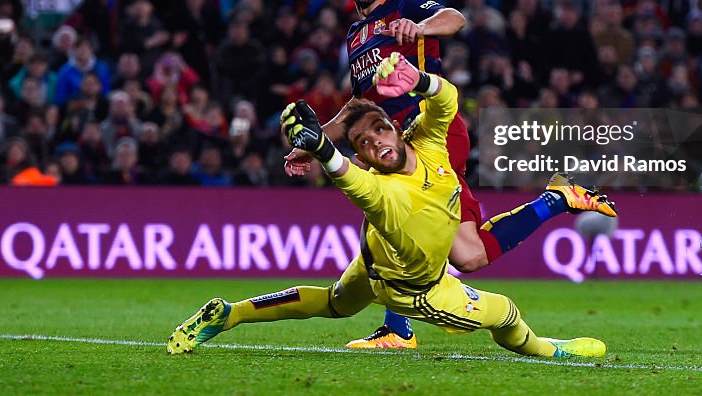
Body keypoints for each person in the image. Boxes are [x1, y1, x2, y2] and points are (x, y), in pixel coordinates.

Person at [167, 53, 613, 358]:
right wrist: (322, 147)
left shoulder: (431, 146)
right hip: (415, 290)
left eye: (379, 130)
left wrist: (417, 80)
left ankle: (231, 314)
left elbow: (447, 101)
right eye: (363, 142)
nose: (376, 141)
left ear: (395, 129)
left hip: (372, 266)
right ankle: (551, 350)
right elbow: (346, 176)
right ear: (359, 153)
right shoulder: (379, 190)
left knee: (335, 303)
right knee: (506, 313)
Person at [290, 0, 609, 350]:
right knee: (469, 256)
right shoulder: (355, 37)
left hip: (431, 131)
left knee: (393, 219)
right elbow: (359, 104)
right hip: (395, 144)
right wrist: (313, 144)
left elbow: (455, 18)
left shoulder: (403, 4)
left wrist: (419, 28)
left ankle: (397, 330)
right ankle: (555, 199)